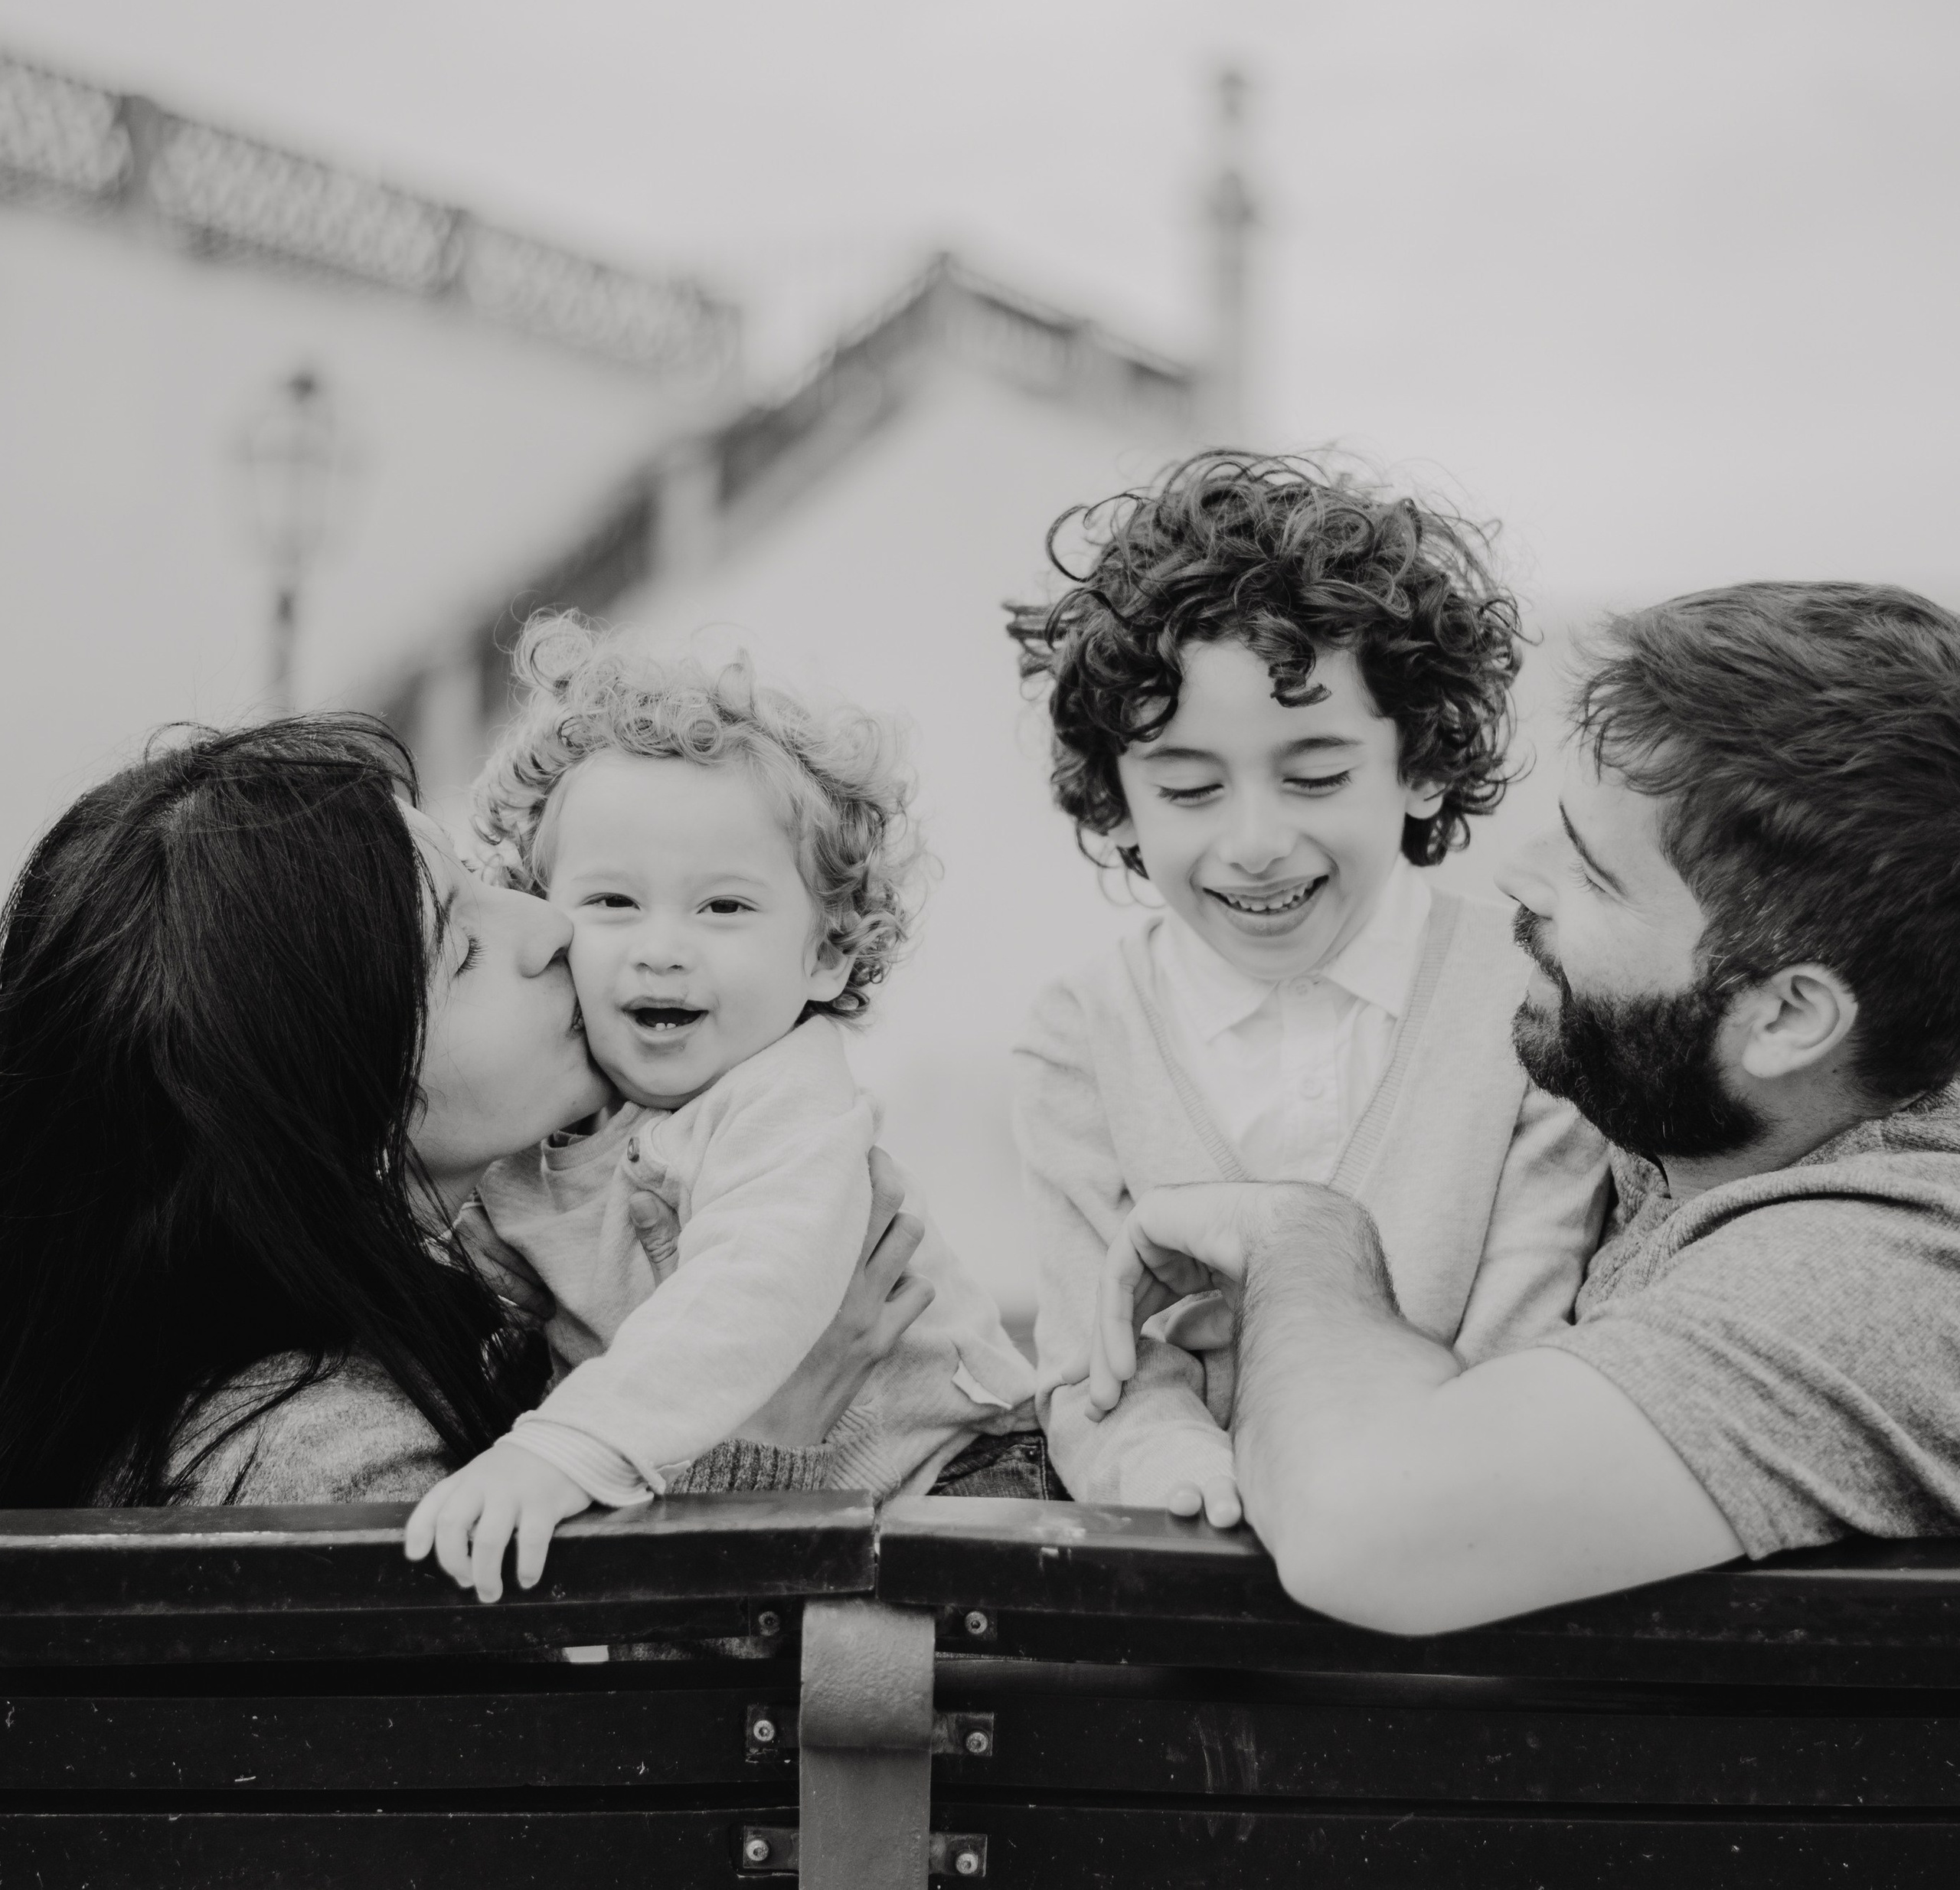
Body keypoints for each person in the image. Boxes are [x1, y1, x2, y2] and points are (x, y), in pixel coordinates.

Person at [1091, 579, 1960, 1633]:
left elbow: (1365, 1529)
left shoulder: (1880, 1276)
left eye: (1594, 877)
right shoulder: (1691, 1109)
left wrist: (1293, 1232)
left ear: (1786, 1019)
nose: (1521, 878)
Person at [0, 714, 932, 1558]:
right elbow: (602, 1734)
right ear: (342, 1113)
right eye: (463, 949)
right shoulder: (328, 1470)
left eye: (482, 884)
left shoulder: (398, 1321)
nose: (547, 924)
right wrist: (767, 1430)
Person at [1005, 453, 1608, 1525]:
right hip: (1182, 1595)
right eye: (1189, 788)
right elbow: (1093, 1372)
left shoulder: (1525, 1001)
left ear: (1420, 762)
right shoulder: (1080, 1034)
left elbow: (1523, 1355)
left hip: (1454, 1579)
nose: (1255, 844)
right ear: (1119, 801)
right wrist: (1169, 1466)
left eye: (1316, 778)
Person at [407, 618, 1038, 1601]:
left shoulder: (785, 1097)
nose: (663, 947)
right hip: (769, 1505)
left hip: (956, 1474)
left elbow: (753, 1289)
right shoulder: (542, 1127)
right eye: (613, 902)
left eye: (724, 908)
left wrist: (566, 1444)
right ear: (544, 909)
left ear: (826, 952)